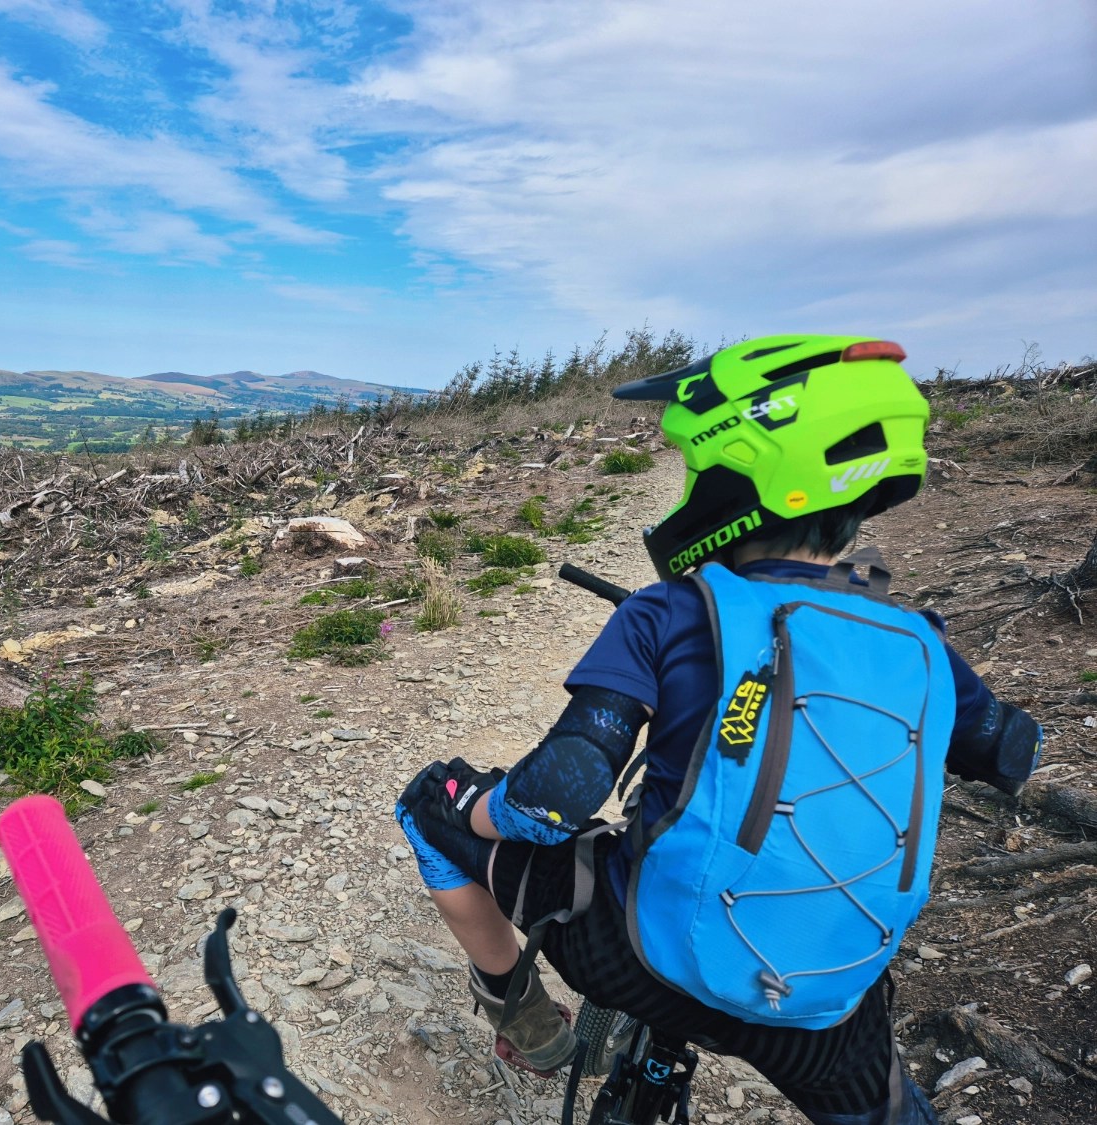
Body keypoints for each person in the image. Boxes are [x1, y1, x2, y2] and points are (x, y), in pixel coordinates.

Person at [396, 335, 1043, 1125]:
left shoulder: (669, 611)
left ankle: (527, 1026)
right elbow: (1011, 751)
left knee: (427, 803)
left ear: (746, 477)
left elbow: (558, 794)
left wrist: (476, 807)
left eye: (698, 469)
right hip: (828, 1010)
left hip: (641, 962)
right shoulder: (924, 647)